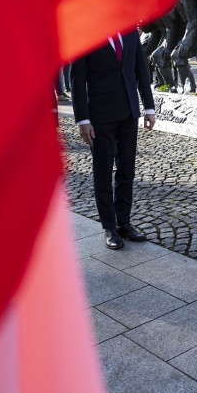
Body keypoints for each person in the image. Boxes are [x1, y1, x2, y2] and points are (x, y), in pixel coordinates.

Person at [71, 31, 156, 250]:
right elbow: (78, 80)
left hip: (128, 112)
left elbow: (141, 70)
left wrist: (149, 107)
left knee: (127, 171)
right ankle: (109, 227)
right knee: (103, 171)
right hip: (100, 117)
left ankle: (124, 222)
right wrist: (82, 119)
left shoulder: (130, 32)